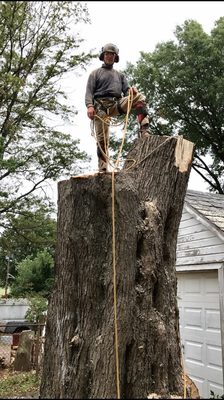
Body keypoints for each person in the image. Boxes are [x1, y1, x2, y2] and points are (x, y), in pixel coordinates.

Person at [85, 43, 150, 172]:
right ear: (103, 56)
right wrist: (89, 106)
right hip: (100, 107)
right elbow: (89, 92)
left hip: (116, 104)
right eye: (107, 54)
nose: (109, 56)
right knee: (102, 139)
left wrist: (132, 92)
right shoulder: (95, 73)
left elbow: (127, 93)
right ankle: (103, 167)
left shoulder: (120, 76)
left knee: (140, 97)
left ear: (115, 57)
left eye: (112, 54)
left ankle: (144, 129)